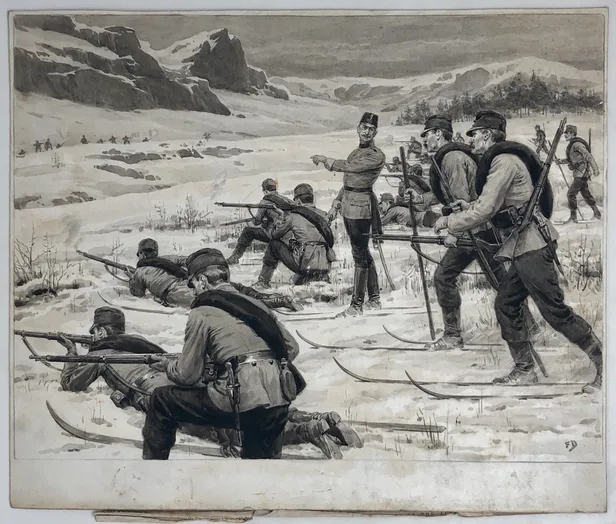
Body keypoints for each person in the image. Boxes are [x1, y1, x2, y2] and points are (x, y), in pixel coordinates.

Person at [434, 110, 602, 392]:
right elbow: (491, 207)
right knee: (506, 303)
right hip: (522, 246)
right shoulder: (500, 162)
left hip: (532, 247)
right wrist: (467, 210)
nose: (471, 139)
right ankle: (525, 369)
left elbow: (486, 209)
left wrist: (449, 222)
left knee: (556, 312)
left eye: (474, 133)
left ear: (487, 135)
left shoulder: (504, 163)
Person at [56, 307, 360, 459]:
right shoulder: (142, 344)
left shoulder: (100, 354)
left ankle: (307, 429)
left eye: (94, 333)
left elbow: (71, 383)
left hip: (154, 392)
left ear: (99, 331)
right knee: (247, 413)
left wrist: (72, 351)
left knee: (229, 433)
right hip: (184, 382)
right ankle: (316, 420)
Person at [141, 249, 302, 459]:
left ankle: (152, 469)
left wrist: (166, 366)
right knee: (260, 466)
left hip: (236, 399)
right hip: (279, 397)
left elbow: (187, 374)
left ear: (202, 281)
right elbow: (292, 347)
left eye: (193, 284)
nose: (193, 291)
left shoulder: (201, 311)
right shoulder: (256, 304)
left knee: (161, 400)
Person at [420, 114, 538, 350]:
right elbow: (451, 193)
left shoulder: (451, 158)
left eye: (427, 135)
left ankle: (453, 336)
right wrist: (422, 200)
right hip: (483, 229)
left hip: (475, 230)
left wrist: (454, 232)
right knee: (500, 281)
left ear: (438, 134)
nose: (424, 140)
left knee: (443, 278)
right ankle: (529, 326)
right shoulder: (453, 156)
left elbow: (461, 198)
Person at [311, 112, 386, 317]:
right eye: (364, 127)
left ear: (375, 132)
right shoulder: (354, 152)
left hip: (361, 209)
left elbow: (352, 168)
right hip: (349, 208)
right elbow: (348, 184)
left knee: (359, 256)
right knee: (363, 253)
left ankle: (356, 305)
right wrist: (336, 204)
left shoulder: (376, 155)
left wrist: (328, 161)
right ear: (358, 128)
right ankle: (375, 299)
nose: (366, 132)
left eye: (371, 129)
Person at [128, 238, 300, 311]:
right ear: (156, 252)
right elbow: (187, 259)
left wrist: (132, 277)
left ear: (141, 255)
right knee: (238, 289)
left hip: (179, 293)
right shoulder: (167, 259)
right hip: (197, 280)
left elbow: (137, 293)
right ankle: (275, 299)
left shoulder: (141, 271)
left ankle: (267, 304)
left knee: (228, 302)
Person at [255, 183, 335, 288]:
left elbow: (275, 235)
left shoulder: (293, 216)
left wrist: (280, 217)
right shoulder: (323, 215)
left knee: (274, 245)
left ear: (298, 201)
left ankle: (263, 282)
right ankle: (319, 277)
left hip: (304, 264)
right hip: (324, 265)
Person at [226, 178, 294, 265]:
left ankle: (235, 257)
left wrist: (250, 222)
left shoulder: (265, 201)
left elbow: (256, 222)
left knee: (247, 231)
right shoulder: (287, 200)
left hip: (273, 234)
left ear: (265, 191)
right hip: (287, 235)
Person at [557, 124, 601, 223]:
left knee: (570, 194)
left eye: (568, 133)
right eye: (566, 133)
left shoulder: (577, 144)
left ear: (573, 134)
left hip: (581, 173)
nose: (566, 135)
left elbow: (588, 156)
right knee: (586, 194)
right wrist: (560, 161)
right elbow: (571, 160)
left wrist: (595, 168)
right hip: (580, 173)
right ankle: (597, 213)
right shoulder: (572, 144)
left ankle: (573, 218)